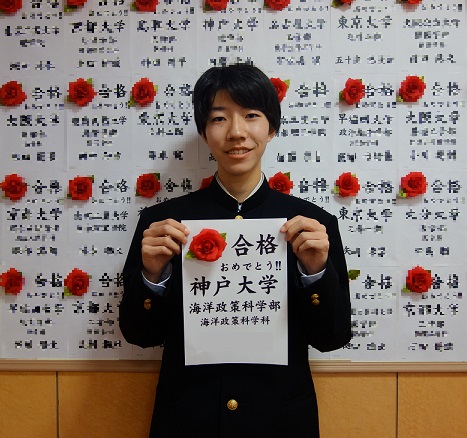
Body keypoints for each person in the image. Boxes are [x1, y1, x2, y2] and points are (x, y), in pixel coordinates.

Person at [119, 63, 351, 438]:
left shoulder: (313, 226)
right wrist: (151, 276)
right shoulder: (162, 225)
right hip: (188, 422)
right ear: (203, 132)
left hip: (279, 423)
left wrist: (315, 273)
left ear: (271, 128)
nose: (237, 132)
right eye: (219, 118)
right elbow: (139, 335)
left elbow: (332, 338)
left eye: (251, 115)